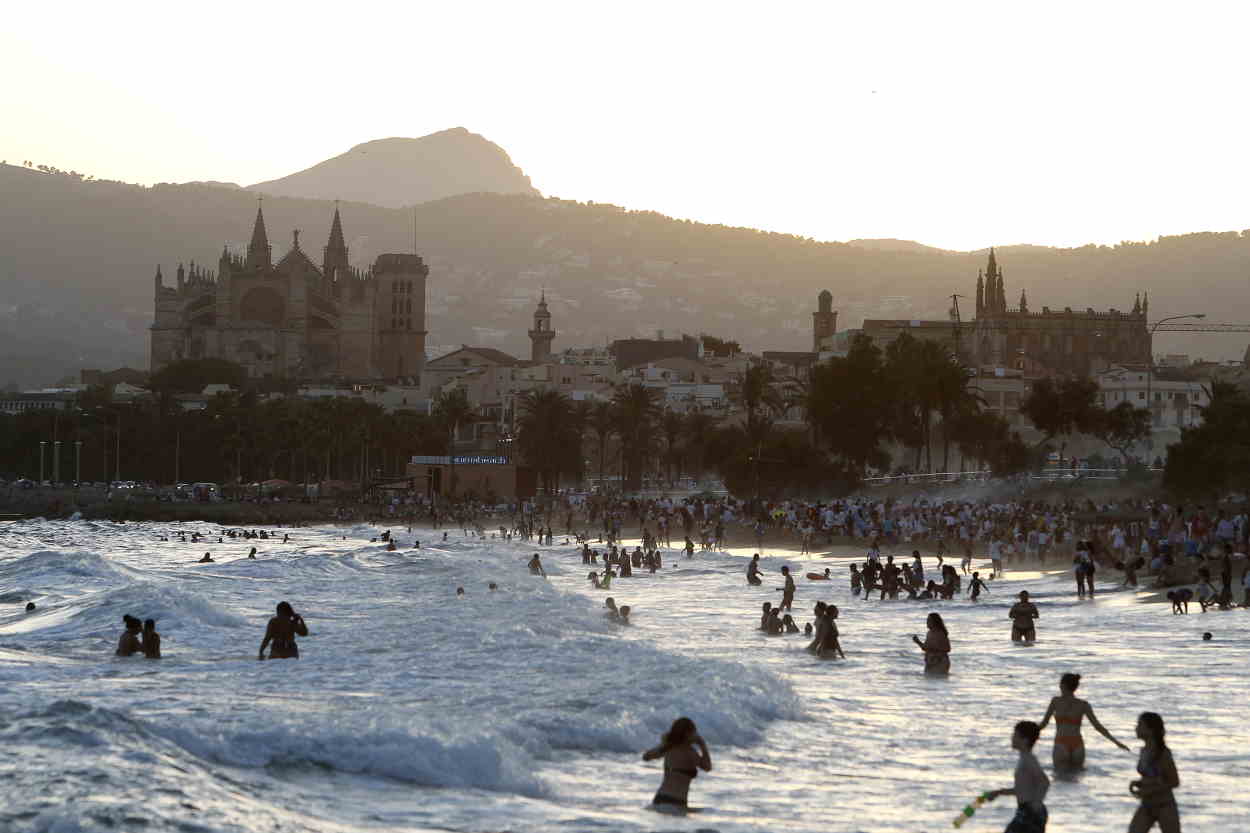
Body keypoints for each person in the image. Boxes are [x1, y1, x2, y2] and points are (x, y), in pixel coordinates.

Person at [1037, 673, 1130, 770]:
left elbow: (1043, 724)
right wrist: (1116, 742)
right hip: (1078, 745)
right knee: (1076, 778)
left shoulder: (1055, 701)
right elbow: (1098, 727)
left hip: (1061, 743)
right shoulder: (1083, 704)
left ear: (1063, 685)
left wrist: (1027, 732)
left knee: (1060, 778)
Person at [985, 721, 1050, 833]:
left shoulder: (1029, 759)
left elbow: (1044, 782)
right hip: (1025, 810)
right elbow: (1023, 789)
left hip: (1031, 812)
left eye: (1015, 735)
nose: (1012, 738)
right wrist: (999, 792)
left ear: (1025, 740)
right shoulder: (1023, 758)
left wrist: (1037, 803)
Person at [642, 717, 712, 810]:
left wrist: (663, 744)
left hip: (659, 799)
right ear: (688, 734)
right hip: (676, 802)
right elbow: (707, 767)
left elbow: (646, 757)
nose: (696, 735)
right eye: (694, 732)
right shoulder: (689, 752)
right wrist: (702, 745)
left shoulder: (667, 749)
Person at [1128, 712, 1181, 833]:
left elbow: (1174, 782)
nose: (1136, 728)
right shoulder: (1144, 751)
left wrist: (1150, 790)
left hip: (1165, 805)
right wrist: (1138, 783)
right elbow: (1152, 777)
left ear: (1150, 730)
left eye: (1140, 725)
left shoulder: (1163, 754)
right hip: (1147, 804)